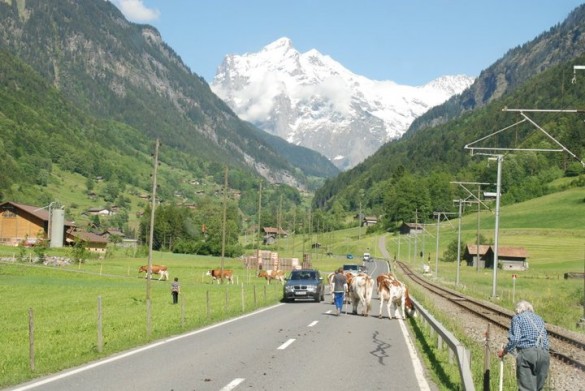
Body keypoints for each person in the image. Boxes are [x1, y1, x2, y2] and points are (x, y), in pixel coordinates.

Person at [497, 300, 550, 391]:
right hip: (544, 354)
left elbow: (516, 339)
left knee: (526, 388)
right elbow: (546, 341)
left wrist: (505, 351)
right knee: (539, 388)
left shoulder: (518, 318)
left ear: (518, 310)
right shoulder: (539, 318)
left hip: (527, 354)